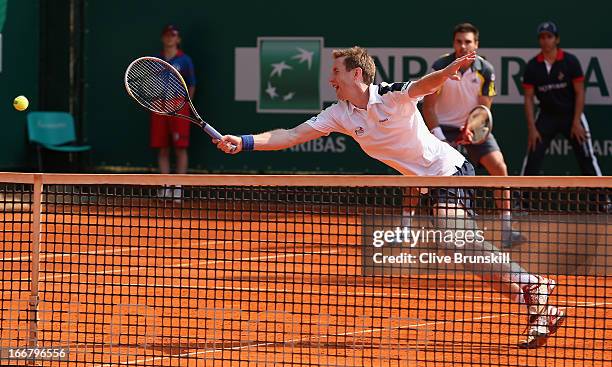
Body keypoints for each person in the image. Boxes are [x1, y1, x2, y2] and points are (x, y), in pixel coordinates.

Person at [215, 46, 565, 348]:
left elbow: (424, 85)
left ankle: (536, 286)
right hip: (427, 183)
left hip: (449, 170)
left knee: (458, 240)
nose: (331, 79)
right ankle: (538, 302)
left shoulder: (392, 94)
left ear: (356, 74)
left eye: (335, 72)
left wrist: (446, 71)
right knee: (465, 252)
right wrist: (245, 141)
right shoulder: (339, 113)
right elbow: (290, 134)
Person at [422, 23, 525, 248]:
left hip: (472, 125)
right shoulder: (440, 66)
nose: (463, 46)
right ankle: (405, 227)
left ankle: (507, 230)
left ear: (475, 45)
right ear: (454, 44)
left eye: (467, 41)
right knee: (415, 173)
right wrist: (439, 137)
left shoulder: (485, 70)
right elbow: (428, 108)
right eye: (459, 41)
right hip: (442, 127)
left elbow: (483, 111)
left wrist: (472, 130)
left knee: (499, 167)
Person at [521, 21, 602, 176]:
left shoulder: (570, 61)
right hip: (546, 116)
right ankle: (522, 200)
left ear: (556, 39)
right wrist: (532, 128)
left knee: (587, 158)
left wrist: (577, 121)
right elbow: (529, 98)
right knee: (532, 157)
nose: (546, 41)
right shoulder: (532, 66)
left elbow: (580, 92)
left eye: (549, 37)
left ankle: (603, 200)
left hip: (572, 115)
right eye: (542, 37)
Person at [150, 25, 196, 197]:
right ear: (163, 38)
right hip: (158, 106)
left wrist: (186, 104)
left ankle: (178, 189)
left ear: (178, 39)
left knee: (180, 148)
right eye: (167, 35)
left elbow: (191, 84)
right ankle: (165, 187)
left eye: (173, 35)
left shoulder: (185, 60)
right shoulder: (155, 60)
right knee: (162, 148)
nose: (170, 38)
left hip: (179, 106)